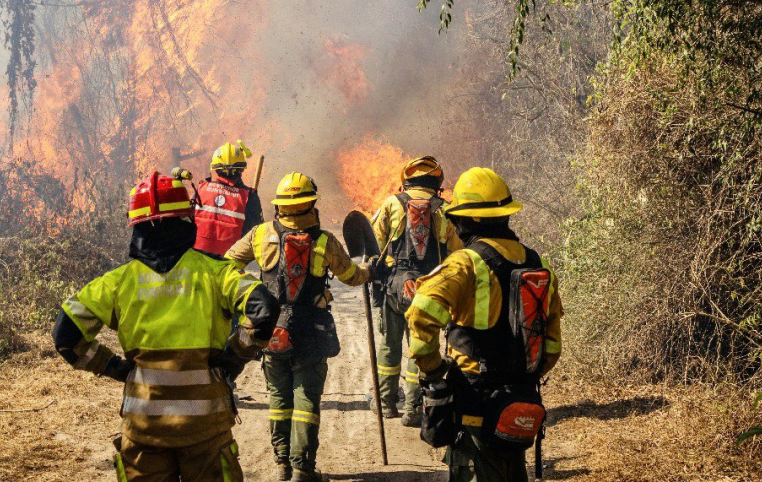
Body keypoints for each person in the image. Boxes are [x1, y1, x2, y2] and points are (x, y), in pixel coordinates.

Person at [53, 171, 279, 482]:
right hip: (206, 431)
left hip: (144, 432)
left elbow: (65, 336)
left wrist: (114, 367)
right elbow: (265, 309)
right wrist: (235, 354)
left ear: (137, 226)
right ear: (187, 219)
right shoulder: (215, 273)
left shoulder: (116, 283)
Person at [405, 168, 564, 482]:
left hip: (474, 405)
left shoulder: (464, 263)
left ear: (470, 221)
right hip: (519, 403)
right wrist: (523, 376)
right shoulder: (538, 265)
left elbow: (420, 315)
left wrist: (435, 373)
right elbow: (553, 344)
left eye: (457, 219)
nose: (455, 225)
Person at [225, 172, 371, 482]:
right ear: (312, 205)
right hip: (311, 333)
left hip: (271, 332)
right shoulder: (325, 242)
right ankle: (303, 468)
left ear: (280, 206)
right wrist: (368, 272)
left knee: (278, 398)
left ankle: (282, 464)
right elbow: (350, 276)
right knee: (306, 400)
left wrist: (251, 292)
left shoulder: (260, 235)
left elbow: (227, 265)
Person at [369, 155, 462, 426]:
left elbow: (375, 246)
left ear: (406, 180)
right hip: (430, 290)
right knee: (420, 347)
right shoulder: (444, 210)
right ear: (437, 183)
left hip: (394, 288)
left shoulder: (391, 204)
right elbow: (455, 251)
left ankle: (385, 404)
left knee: (389, 347)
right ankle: (413, 409)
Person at [194, 140, 264, 258]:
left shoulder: (200, 189)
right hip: (230, 262)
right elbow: (257, 233)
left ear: (215, 168)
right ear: (241, 169)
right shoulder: (249, 197)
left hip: (198, 258)